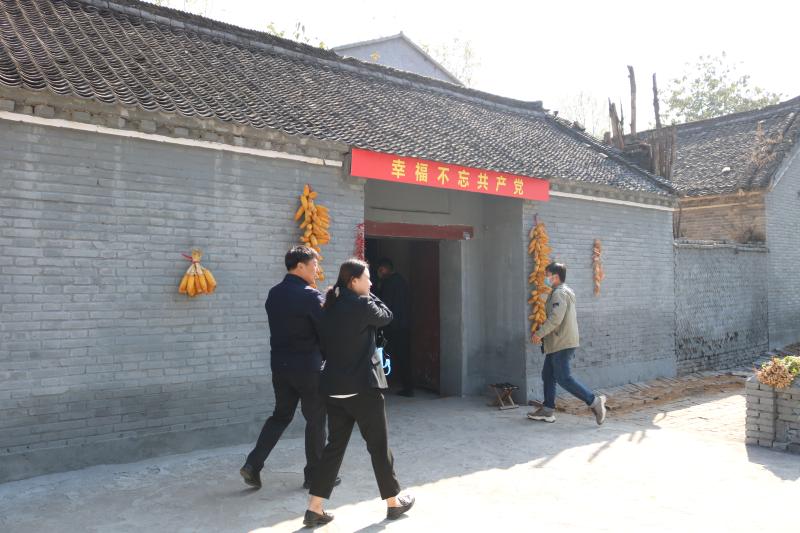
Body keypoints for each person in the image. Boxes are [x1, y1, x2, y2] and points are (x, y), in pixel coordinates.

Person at [303, 259, 414, 527]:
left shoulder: (328, 306)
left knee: (333, 448)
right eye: (367, 279)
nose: (371, 282)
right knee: (378, 446)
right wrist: (369, 296)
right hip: (363, 389)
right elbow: (387, 315)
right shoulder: (363, 305)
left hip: (333, 388)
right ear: (354, 282)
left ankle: (314, 507)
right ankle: (393, 502)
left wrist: (360, 294)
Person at [239, 246, 340, 490]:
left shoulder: (274, 293)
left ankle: (253, 464)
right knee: (316, 419)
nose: (317, 269)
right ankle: (314, 476)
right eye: (314, 264)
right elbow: (326, 331)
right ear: (300, 266)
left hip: (281, 367)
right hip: (308, 368)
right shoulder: (310, 296)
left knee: (281, 415)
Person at [527, 262, 607, 425]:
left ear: (555, 277)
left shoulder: (559, 294)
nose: (546, 278)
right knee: (548, 375)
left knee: (563, 378)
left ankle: (595, 402)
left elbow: (556, 319)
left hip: (562, 342)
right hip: (558, 342)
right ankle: (547, 410)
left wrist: (539, 333)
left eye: (548, 275)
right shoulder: (562, 291)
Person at [376, 258, 413, 397]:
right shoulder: (401, 281)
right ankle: (407, 386)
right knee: (402, 355)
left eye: (381, 270)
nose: (380, 273)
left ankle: (392, 384)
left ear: (386, 269)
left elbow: (383, 303)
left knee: (387, 354)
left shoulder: (389, 283)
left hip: (392, 325)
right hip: (403, 324)